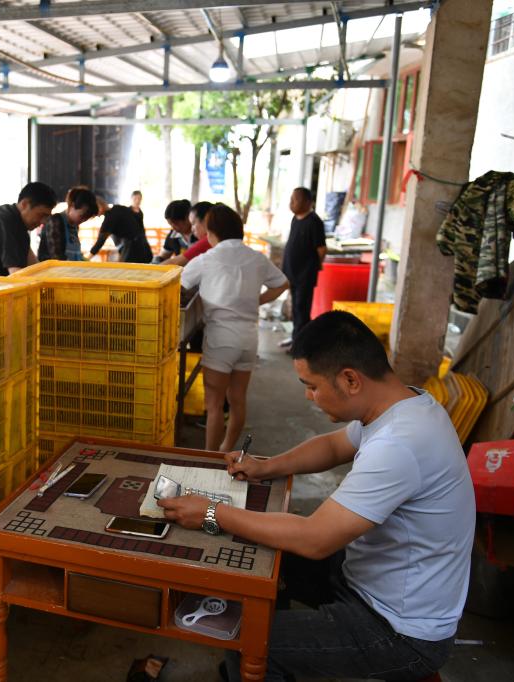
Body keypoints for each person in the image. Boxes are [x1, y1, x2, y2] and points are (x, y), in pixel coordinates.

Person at [157, 311, 475, 682]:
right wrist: (266, 466)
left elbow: (315, 539)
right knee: (261, 558)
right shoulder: (404, 405)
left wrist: (211, 512)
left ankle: (262, 664)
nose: (309, 397)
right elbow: (333, 446)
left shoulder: (401, 444)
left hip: (399, 630)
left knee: (247, 637)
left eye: (312, 386)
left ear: (350, 380)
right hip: (368, 577)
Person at [180, 204, 288, 452]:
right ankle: (226, 449)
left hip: (220, 338)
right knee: (238, 401)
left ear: (211, 232)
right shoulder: (256, 258)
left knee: (214, 405)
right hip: (248, 339)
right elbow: (282, 283)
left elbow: (180, 285)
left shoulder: (206, 259)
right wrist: (256, 301)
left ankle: (210, 457)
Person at [0, 182, 57, 276]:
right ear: (24, 204)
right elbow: (16, 274)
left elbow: (34, 264)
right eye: (41, 215)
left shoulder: (18, 223)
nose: (43, 221)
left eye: (46, 217)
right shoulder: (6, 220)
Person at [281, 187, 327, 346]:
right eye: (291, 199)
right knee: (295, 308)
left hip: (305, 276)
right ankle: (296, 337)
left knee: (302, 310)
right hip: (291, 273)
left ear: (308, 202)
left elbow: (321, 249)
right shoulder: (295, 219)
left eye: (295, 200)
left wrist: (314, 266)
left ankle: (301, 344)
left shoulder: (314, 222)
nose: (291, 203)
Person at [38, 187, 98, 261]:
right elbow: (56, 256)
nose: (83, 220)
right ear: (72, 205)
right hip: (53, 268)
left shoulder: (75, 226)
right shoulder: (55, 221)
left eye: (86, 218)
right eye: (82, 216)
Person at [89, 196, 153, 264]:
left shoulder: (110, 218)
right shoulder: (119, 208)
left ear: (100, 206)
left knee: (126, 269)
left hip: (133, 251)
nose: (95, 214)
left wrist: (88, 257)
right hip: (144, 247)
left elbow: (101, 240)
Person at [162, 201, 213, 267]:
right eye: (170, 224)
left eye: (193, 223)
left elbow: (176, 261)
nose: (173, 227)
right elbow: (164, 255)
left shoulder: (208, 240)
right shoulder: (172, 236)